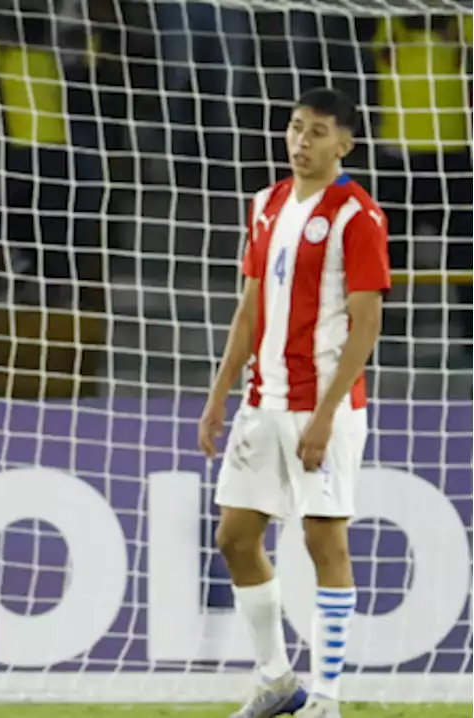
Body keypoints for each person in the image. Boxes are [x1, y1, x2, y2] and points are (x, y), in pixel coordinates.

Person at [198, 88, 391, 718]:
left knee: (323, 541)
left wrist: (327, 415)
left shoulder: (357, 215)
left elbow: (366, 323)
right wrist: (219, 394)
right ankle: (277, 680)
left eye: (317, 132)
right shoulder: (266, 204)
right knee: (234, 535)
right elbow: (249, 307)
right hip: (263, 400)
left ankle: (328, 699)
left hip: (322, 406)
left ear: (346, 144)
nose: (301, 142)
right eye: (295, 128)